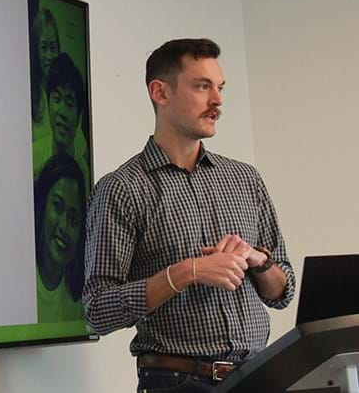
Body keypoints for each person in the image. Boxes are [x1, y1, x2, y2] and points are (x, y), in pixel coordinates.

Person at [83, 38, 295, 392]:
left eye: (220, 88)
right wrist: (186, 272)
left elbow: (283, 291)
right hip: (176, 382)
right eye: (202, 87)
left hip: (259, 376)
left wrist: (259, 261)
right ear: (160, 93)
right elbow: (98, 310)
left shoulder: (244, 179)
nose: (218, 101)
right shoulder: (122, 188)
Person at [34, 153, 86, 323]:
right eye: (57, 206)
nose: (64, 227)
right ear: (42, 207)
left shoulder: (78, 300)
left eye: (73, 219)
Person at [32, 52, 90, 191]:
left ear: (79, 114)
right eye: (57, 99)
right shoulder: (33, 157)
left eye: (70, 104)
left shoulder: (85, 174)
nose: (62, 112)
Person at [30, 7, 60, 143]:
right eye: (43, 48)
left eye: (53, 48)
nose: (49, 56)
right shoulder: (30, 96)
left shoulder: (64, 93)